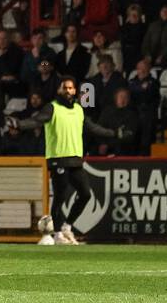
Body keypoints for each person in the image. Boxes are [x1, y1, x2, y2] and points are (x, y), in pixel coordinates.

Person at [11, 74, 118, 246]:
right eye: (65, 87)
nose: (68, 91)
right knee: (60, 197)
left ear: (75, 90)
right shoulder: (52, 107)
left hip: (75, 158)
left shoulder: (78, 109)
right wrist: (19, 125)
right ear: (59, 90)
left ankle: (67, 227)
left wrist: (115, 134)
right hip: (58, 159)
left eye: (71, 88)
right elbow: (37, 121)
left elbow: (93, 128)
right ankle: (58, 233)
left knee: (85, 194)